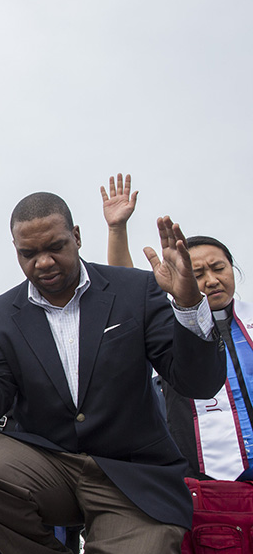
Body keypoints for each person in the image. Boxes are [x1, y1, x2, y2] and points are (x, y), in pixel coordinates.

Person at [0, 193, 225, 554]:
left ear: (78, 237)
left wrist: (187, 307)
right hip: (50, 464)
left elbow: (196, 383)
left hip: (130, 473)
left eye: (55, 247)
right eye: (29, 254)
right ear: (16, 252)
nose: (43, 262)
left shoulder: (135, 291)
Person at [103, 174, 251, 480]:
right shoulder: (171, 326)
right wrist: (117, 229)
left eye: (219, 268)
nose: (211, 280)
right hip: (201, 476)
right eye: (197, 273)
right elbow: (125, 287)